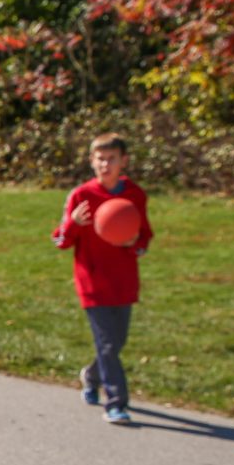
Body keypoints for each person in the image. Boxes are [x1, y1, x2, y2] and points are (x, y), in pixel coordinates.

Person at [55, 132, 153, 425]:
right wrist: (74, 224)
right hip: (92, 281)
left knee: (116, 342)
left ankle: (91, 375)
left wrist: (135, 242)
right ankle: (116, 403)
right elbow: (60, 240)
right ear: (91, 161)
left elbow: (145, 235)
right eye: (100, 159)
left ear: (124, 161)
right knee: (108, 344)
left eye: (111, 159)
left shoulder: (134, 195)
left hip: (123, 280)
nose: (105, 164)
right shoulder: (81, 196)